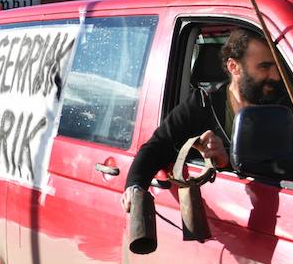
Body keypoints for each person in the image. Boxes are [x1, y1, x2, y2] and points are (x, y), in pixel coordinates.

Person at [121, 27, 284, 211]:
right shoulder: (204, 104)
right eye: (264, 67)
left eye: (277, 66)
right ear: (233, 67)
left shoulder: (286, 106)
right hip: (222, 214)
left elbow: (282, 165)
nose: (276, 76)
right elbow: (157, 147)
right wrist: (135, 187)